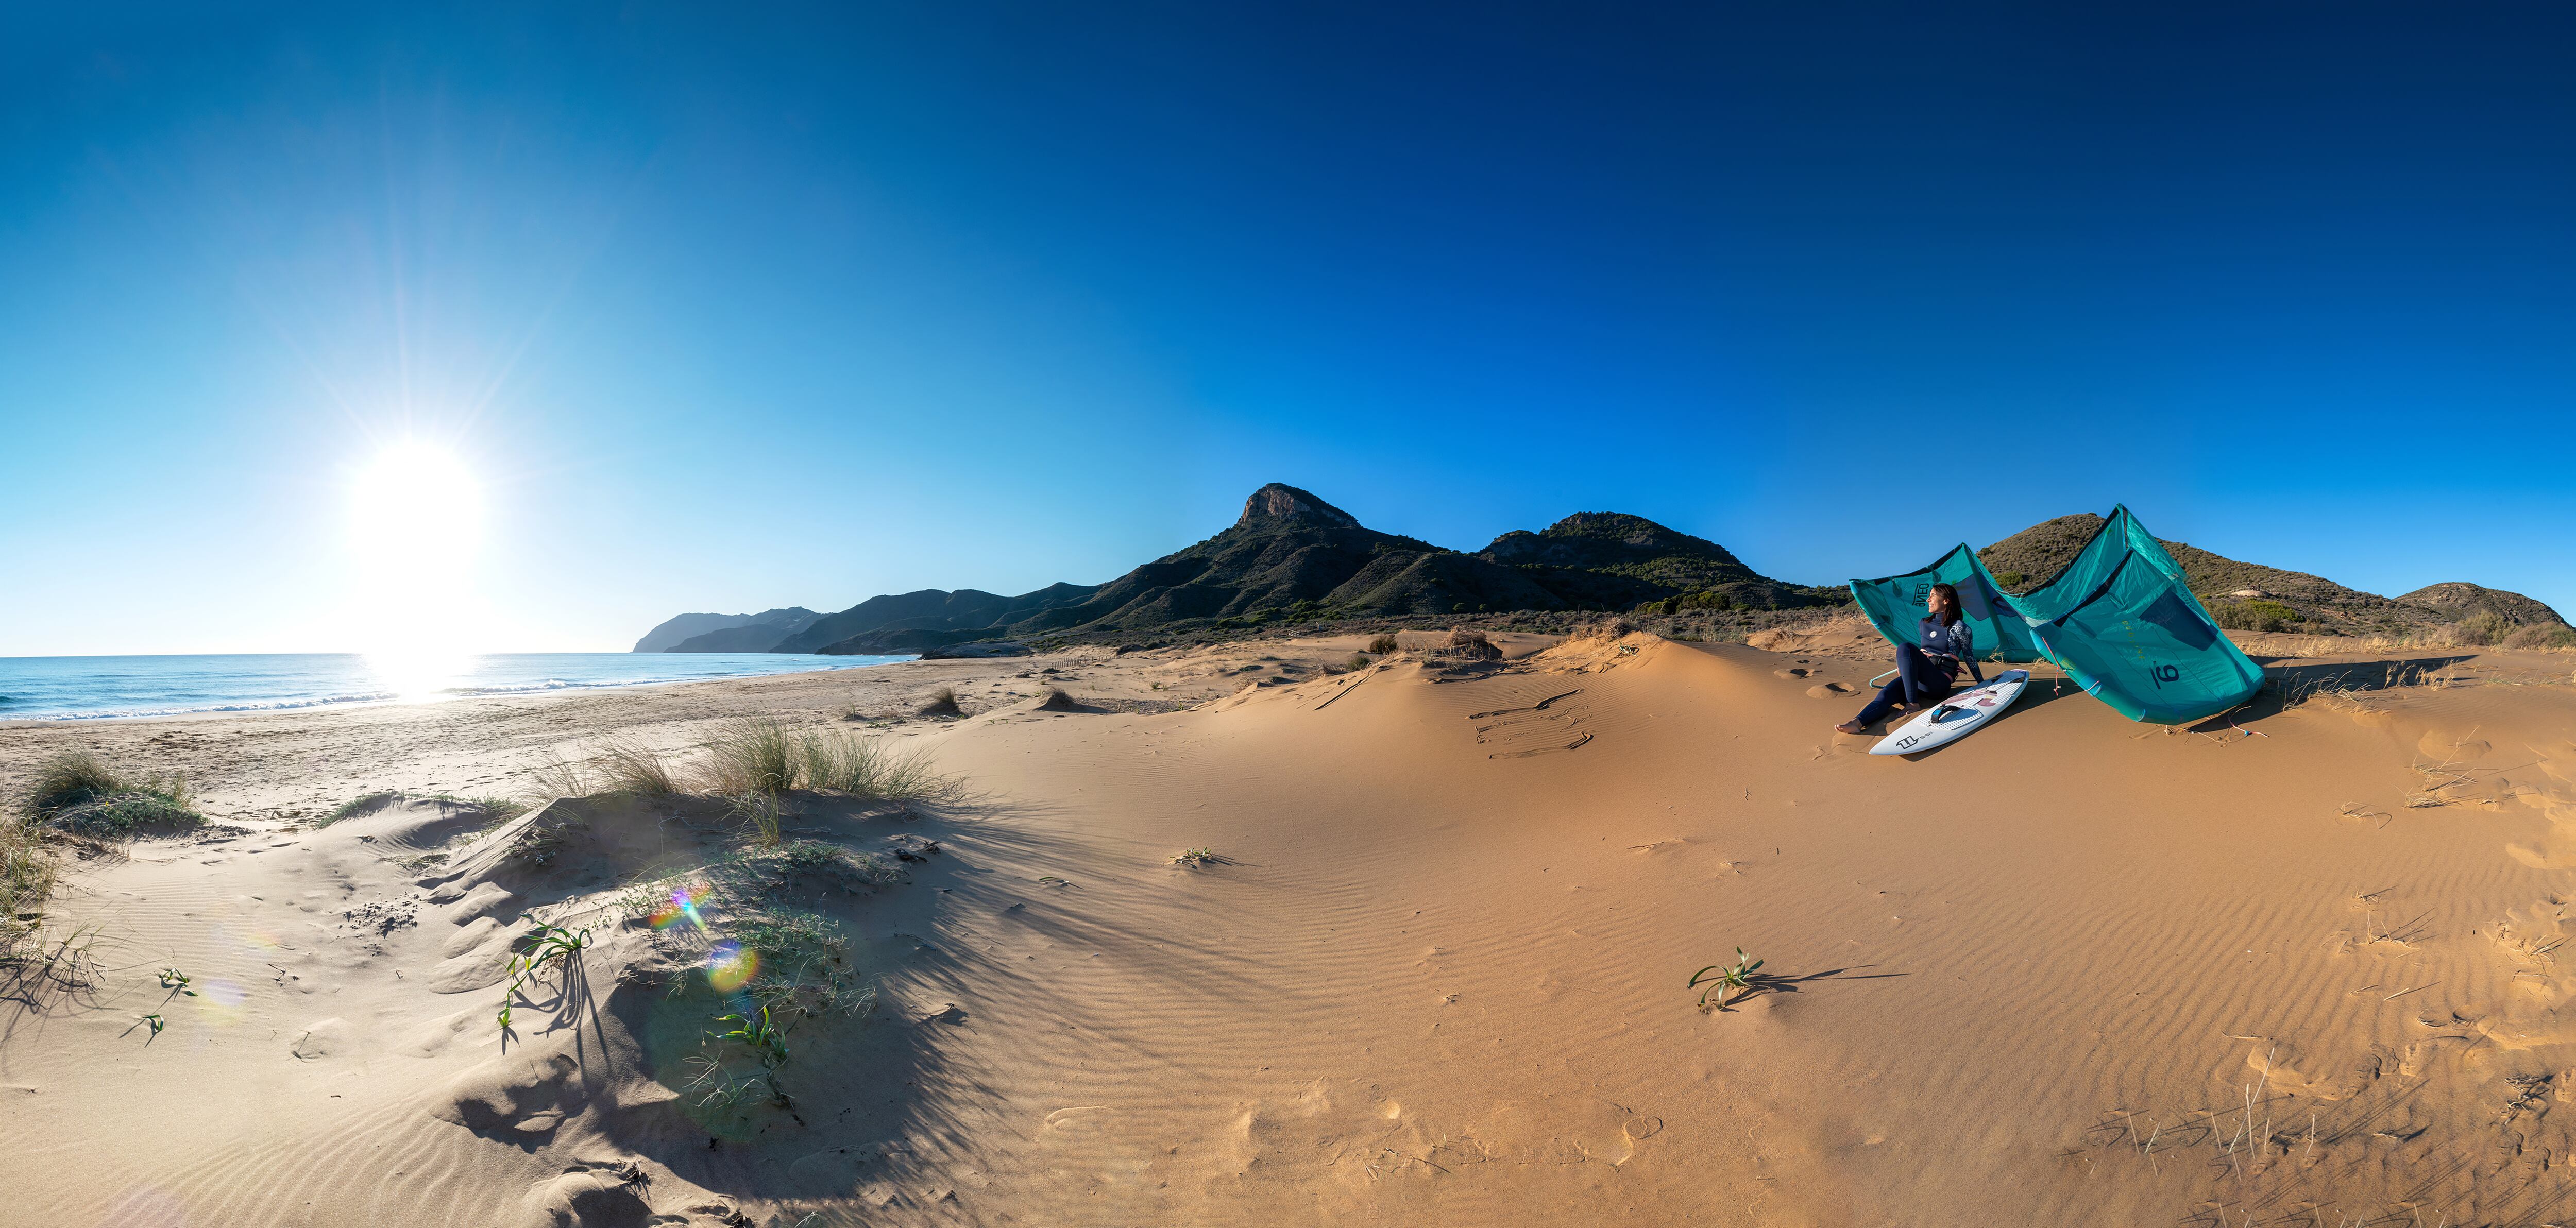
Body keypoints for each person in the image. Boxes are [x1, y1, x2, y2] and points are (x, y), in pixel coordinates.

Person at [1836, 582, 1985, 735]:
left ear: (1946, 600)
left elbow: (1970, 658)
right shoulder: (1924, 623)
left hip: (1938, 683)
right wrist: (1906, 676)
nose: (1928, 600)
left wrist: (1984, 684)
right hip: (1917, 681)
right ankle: (1857, 722)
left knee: (1905, 647)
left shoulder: (1959, 627)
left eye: (1933, 596)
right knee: (1886, 694)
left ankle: (1913, 703)